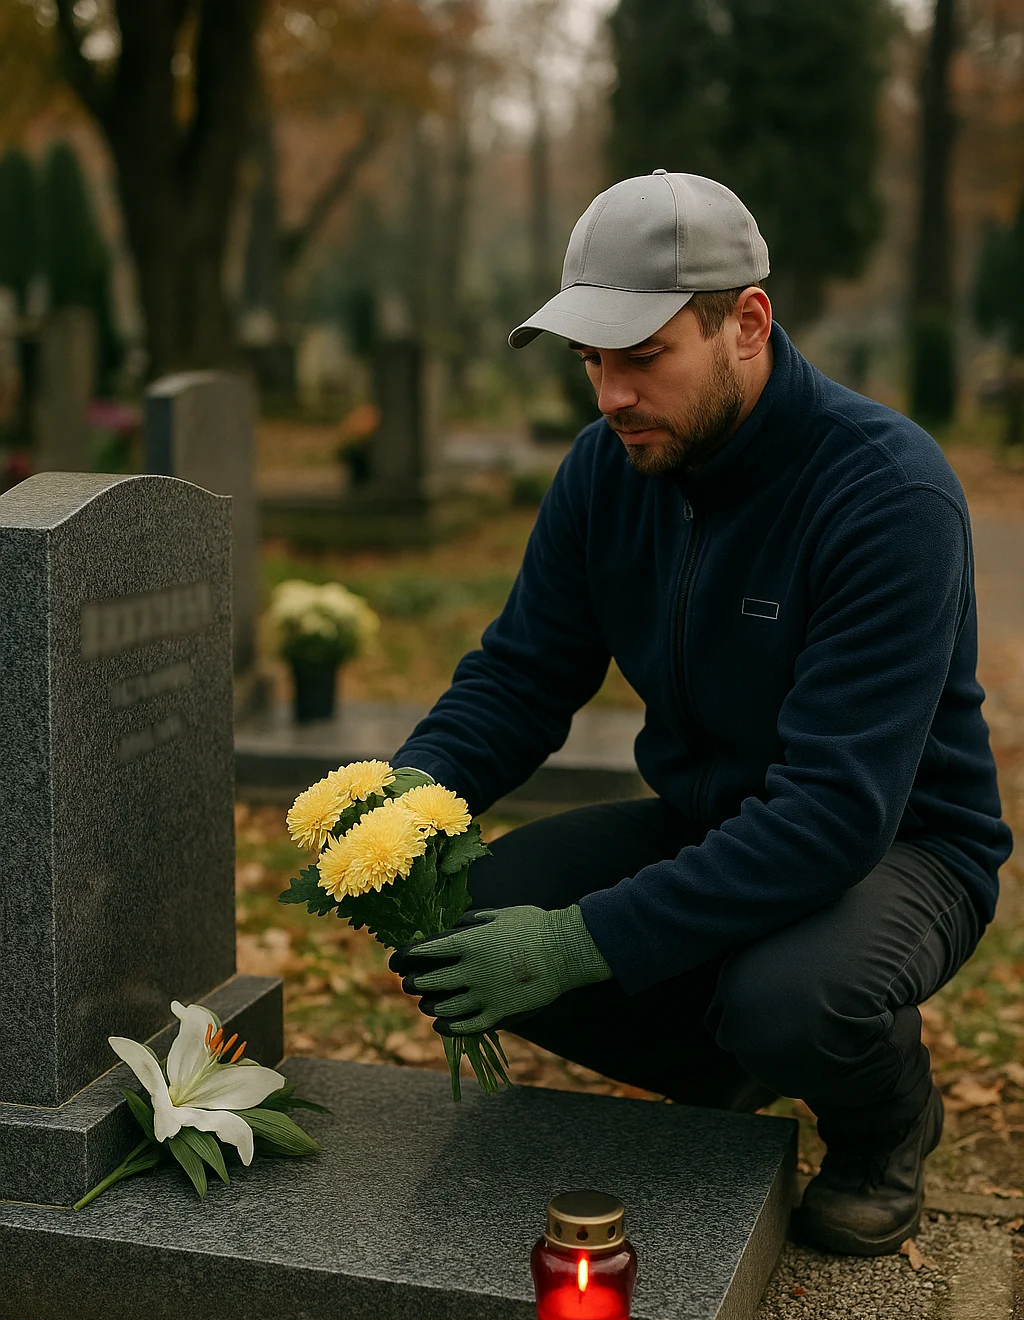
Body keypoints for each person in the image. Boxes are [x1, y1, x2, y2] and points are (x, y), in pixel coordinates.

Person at [387, 170, 1012, 1257]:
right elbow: (522, 675)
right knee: (455, 919)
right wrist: (404, 802)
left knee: (794, 1002)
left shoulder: (884, 493)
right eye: (591, 361)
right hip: (707, 817)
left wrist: (584, 943)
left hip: (898, 847)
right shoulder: (604, 472)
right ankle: (722, 1070)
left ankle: (881, 1123)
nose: (609, 396)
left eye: (642, 357)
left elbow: (829, 816)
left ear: (747, 324)